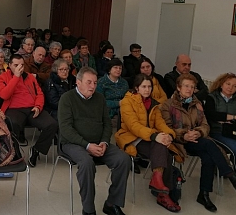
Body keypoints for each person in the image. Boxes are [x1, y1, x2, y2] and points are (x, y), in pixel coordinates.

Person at [160, 74, 236, 212]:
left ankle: (204, 194)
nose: (189, 89)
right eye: (186, 86)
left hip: (197, 139)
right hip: (178, 141)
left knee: (208, 156)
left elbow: (205, 125)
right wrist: (184, 134)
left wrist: (198, 132)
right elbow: (166, 127)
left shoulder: (197, 104)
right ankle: (231, 176)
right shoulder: (167, 105)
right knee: (209, 146)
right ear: (178, 87)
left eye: (192, 87)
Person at [58, 67, 130, 215]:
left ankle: (112, 203)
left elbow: (107, 124)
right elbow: (66, 129)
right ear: (78, 82)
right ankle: (89, 210)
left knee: (123, 159)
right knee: (86, 163)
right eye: (88, 82)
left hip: (99, 143)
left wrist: (104, 142)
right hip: (73, 143)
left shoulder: (100, 99)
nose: (92, 86)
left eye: (95, 83)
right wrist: (87, 145)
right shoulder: (67, 99)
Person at [115, 74, 181, 212]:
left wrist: (169, 135)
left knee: (163, 148)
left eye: (149, 87)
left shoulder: (154, 104)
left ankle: (158, 182)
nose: (147, 90)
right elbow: (133, 126)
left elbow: (161, 124)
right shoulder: (127, 101)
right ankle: (163, 194)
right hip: (131, 138)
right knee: (162, 149)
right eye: (144, 87)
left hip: (150, 138)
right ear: (137, 88)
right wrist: (155, 135)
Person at [0, 54, 58, 167]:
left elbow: (39, 93)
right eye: (16, 65)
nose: (20, 68)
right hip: (14, 109)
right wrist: (16, 77)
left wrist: (38, 106)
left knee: (52, 124)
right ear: (9, 65)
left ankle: (37, 150)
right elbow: (4, 95)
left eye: (22, 65)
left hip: (32, 108)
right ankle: (14, 153)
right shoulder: (2, 77)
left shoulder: (30, 77)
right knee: (12, 124)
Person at [98, 59, 129, 126]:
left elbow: (127, 98)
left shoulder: (124, 83)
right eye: (115, 67)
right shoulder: (101, 82)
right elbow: (100, 101)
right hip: (107, 110)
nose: (118, 70)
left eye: (120, 68)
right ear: (109, 69)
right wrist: (118, 103)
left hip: (122, 110)